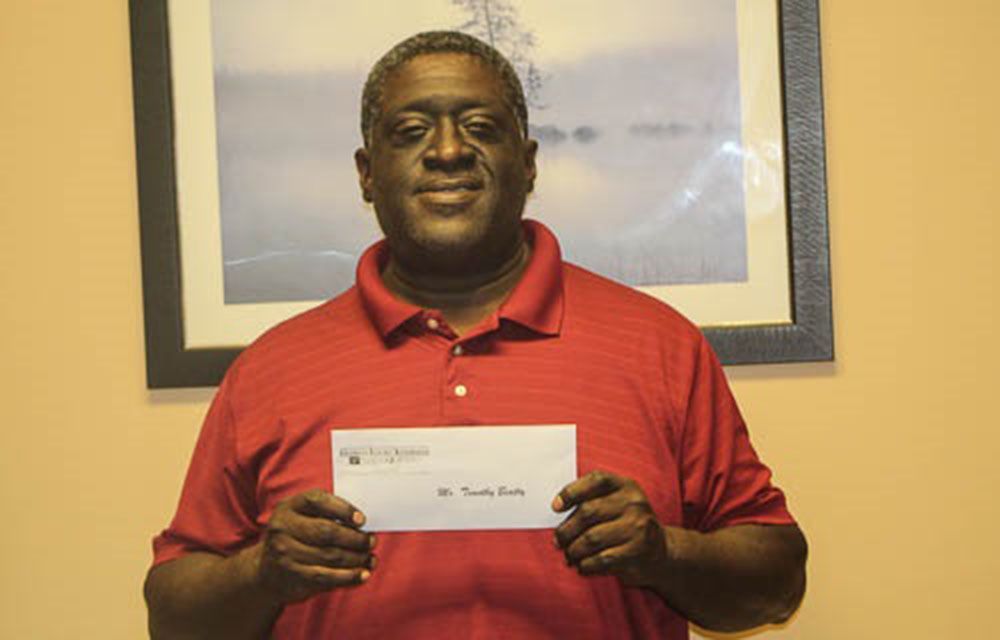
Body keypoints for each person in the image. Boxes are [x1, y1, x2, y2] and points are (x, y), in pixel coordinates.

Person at [144, 30, 807, 639]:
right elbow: (172, 617)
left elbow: (778, 584)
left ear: (528, 163)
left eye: (481, 128)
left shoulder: (658, 346)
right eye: (411, 132)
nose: (448, 151)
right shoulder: (273, 369)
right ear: (367, 173)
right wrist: (262, 573)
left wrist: (666, 553)